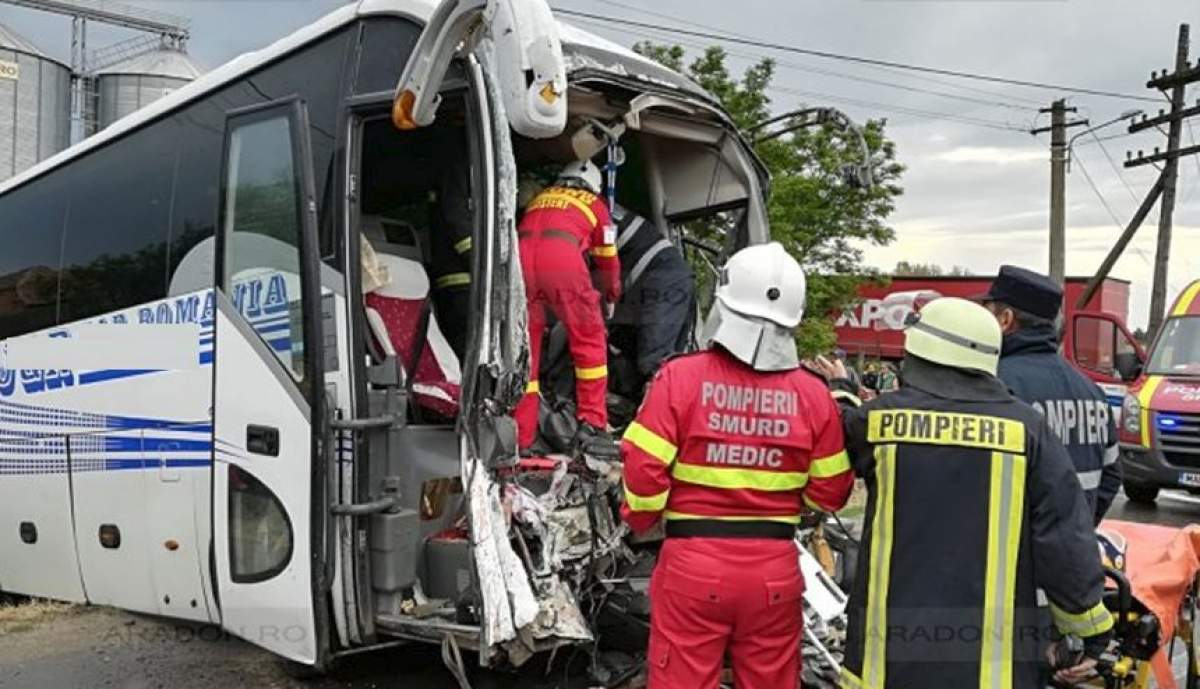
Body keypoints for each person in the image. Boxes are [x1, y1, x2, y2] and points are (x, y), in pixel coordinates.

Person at [831, 297, 1113, 689]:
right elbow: (1064, 542)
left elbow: (829, 448)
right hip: (988, 666)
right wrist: (1090, 629)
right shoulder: (1029, 431)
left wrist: (843, 391)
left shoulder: (877, 421)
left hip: (885, 661)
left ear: (919, 352)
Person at [621, 242, 854, 689]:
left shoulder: (680, 377)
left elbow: (643, 473)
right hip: (775, 571)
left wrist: (644, 519)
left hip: (692, 565)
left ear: (724, 303)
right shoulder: (813, 395)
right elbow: (832, 491)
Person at [977, 265, 1121, 524]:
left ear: (1005, 320)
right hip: (1074, 553)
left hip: (1015, 554)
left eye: (987, 314)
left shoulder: (994, 384)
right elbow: (1111, 476)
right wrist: (1079, 531)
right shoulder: (1092, 392)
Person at [515, 159, 620, 451]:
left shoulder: (539, 199)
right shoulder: (596, 204)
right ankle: (592, 424)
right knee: (590, 342)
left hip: (521, 266)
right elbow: (607, 260)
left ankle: (523, 436)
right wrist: (610, 295)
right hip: (561, 262)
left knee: (527, 354)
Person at [607, 203, 696, 399]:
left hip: (664, 280)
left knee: (655, 363)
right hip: (661, 278)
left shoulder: (588, 214)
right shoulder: (602, 207)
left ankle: (655, 420)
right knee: (654, 357)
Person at [428, 131, 474, 360]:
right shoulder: (459, 165)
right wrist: (480, 262)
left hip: (464, 281)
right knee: (467, 350)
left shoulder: (469, 167)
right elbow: (456, 218)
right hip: (460, 283)